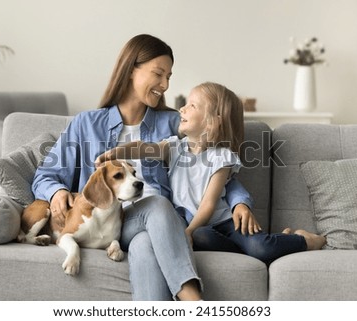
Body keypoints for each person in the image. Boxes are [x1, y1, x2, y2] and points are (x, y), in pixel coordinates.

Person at [32, 34, 260, 301]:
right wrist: (57, 192)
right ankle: (193, 300)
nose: (165, 85)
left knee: (146, 240)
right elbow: (45, 175)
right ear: (131, 70)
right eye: (158, 74)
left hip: (152, 226)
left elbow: (214, 166)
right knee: (157, 206)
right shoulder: (86, 124)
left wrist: (239, 203)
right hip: (109, 222)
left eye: (169, 77)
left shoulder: (174, 123)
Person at [96, 82, 326, 264]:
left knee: (260, 248)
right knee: (202, 237)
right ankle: (279, 241)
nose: (182, 109)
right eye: (185, 104)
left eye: (192, 106)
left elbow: (208, 204)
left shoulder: (222, 157)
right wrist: (116, 151)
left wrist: (188, 231)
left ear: (212, 122)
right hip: (202, 229)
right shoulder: (174, 147)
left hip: (225, 223)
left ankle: (305, 240)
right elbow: (144, 149)